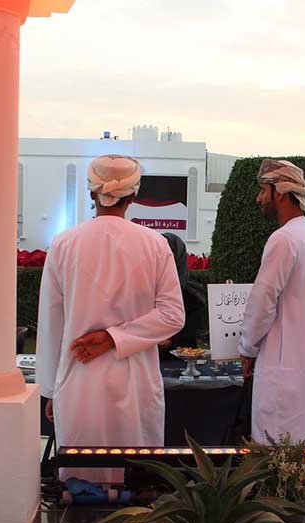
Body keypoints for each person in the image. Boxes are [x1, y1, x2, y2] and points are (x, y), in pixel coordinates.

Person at [36, 155, 185, 483]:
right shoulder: (155, 245)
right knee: (136, 481)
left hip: (79, 379)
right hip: (136, 381)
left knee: (81, 482)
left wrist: (49, 389)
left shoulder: (64, 244)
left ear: (92, 193)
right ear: (133, 196)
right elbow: (173, 316)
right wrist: (117, 338)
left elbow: (50, 324)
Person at [238, 159, 305, 463]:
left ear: (280, 192)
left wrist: (247, 349)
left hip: (285, 371)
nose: (259, 198)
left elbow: (262, 302)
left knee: (279, 456)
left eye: (263, 191)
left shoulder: (284, 239)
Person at [158, 232, 208, 353]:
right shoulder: (149, 283)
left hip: (181, 355)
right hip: (150, 353)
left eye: (169, 252)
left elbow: (195, 326)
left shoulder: (190, 291)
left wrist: (172, 340)